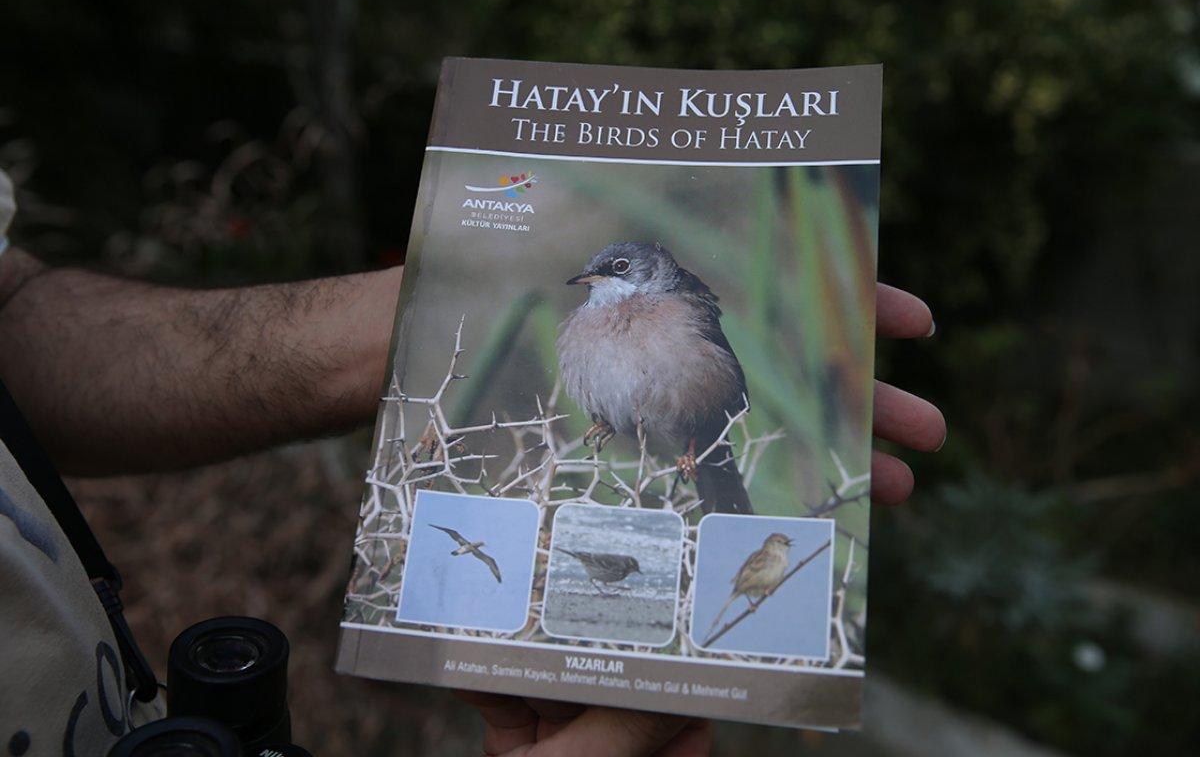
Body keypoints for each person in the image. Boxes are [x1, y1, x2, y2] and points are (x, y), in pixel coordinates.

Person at [0, 169, 946, 756]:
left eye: (611, 273)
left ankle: (711, 498)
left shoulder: (684, 309)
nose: (595, 285)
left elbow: (14, 315)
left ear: (645, 277)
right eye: (594, 274)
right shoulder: (586, 325)